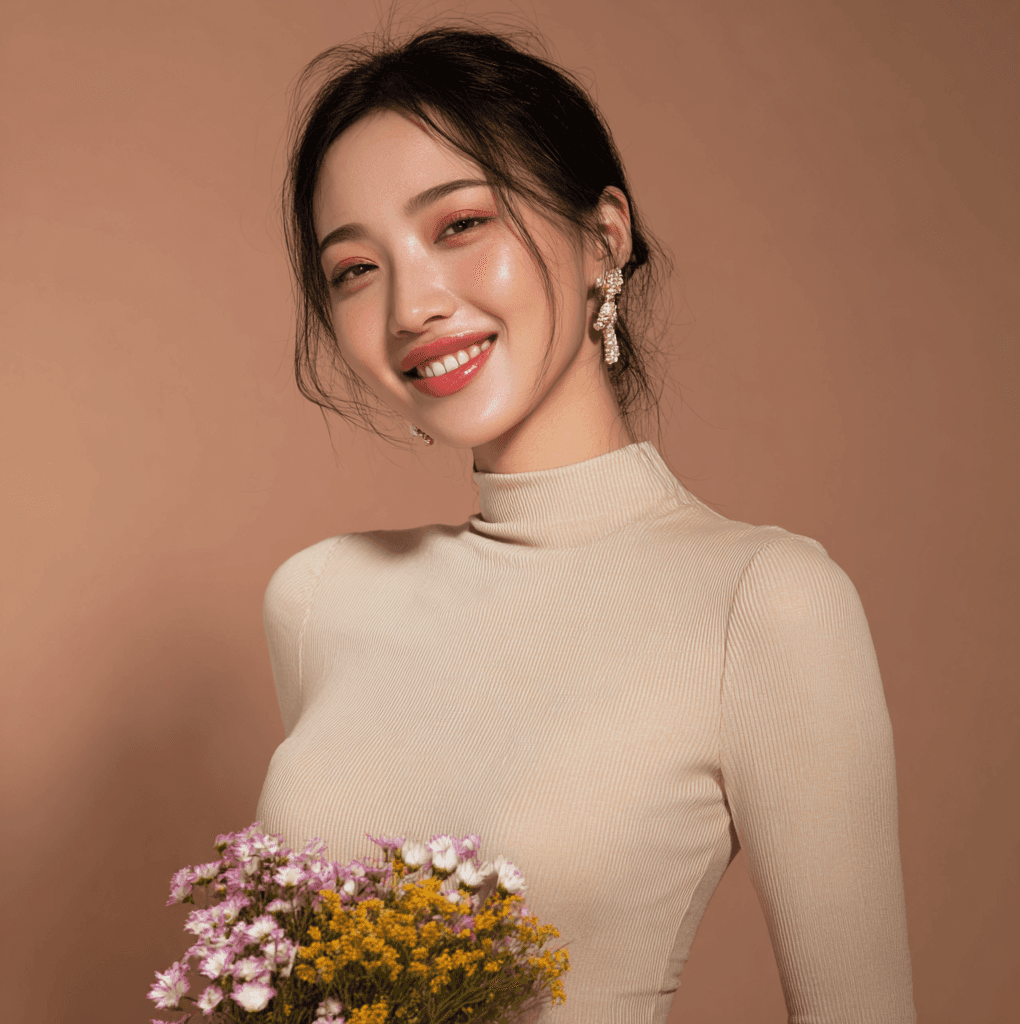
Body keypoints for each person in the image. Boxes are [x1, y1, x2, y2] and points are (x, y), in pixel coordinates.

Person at [256, 26, 917, 1023]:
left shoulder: (762, 603)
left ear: (603, 236)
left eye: (459, 225)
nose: (411, 304)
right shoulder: (316, 599)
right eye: (355, 269)